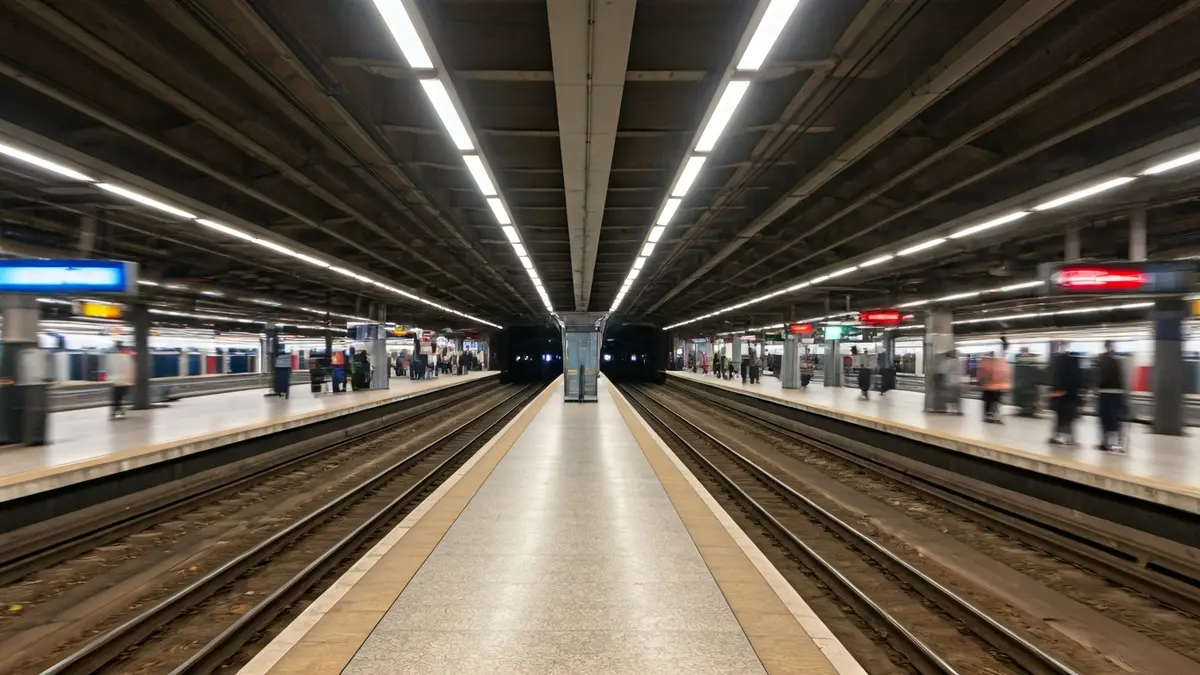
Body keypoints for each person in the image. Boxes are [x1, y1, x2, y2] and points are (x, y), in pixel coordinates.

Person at [1095, 341, 1126, 452]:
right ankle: (1119, 442)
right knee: (1116, 418)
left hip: (1105, 392)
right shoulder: (1116, 361)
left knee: (1105, 418)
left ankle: (1105, 442)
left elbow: (1098, 376)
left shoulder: (1102, 360)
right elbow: (1121, 378)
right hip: (1116, 392)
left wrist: (1095, 387)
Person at [1048, 350, 1083, 445]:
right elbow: (1077, 382)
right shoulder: (1074, 366)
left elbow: (1054, 382)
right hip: (1069, 396)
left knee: (1061, 418)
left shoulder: (1057, 367)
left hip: (1060, 396)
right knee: (1068, 418)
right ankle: (1069, 438)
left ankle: (1058, 436)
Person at [105, 341, 136, 420]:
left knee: (117, 396)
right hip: (121, 380)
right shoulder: (126, 353)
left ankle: (117, 410)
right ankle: (117, 410)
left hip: (119, 380)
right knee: (118, 397)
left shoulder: (117, 353)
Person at [977, 352, 1010, 423]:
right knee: (993, 402)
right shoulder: (996, 364)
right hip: (991, 386)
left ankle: (991, 415)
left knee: (991, 402)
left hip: (993, 386)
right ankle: (991, 415)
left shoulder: (989, 364)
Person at [938, 350, 963, 415]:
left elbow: (942, 373)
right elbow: (962, 372)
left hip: (948, 382)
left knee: (948, 397)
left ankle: (949, 410)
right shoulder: (959, 362)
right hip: (957, 382)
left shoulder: (945, 362)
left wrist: (942, 382)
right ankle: (957, 410)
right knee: (957, 397)